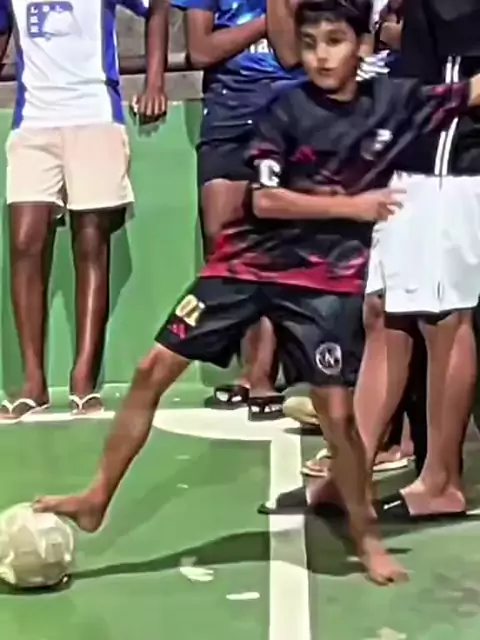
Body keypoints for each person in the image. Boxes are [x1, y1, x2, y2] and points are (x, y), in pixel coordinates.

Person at [34, 0, 480, 584]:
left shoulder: (394, 103)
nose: (321, 56)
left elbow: (468, 93)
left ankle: (367, 542)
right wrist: (354, 206)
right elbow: (265, 201)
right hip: (245, 267)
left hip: (319, 289)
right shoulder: (282, 110)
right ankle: (96, 497)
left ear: (360, 47)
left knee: (338, 416)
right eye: (310, 44)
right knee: (150, 370)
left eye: (335, 42)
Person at [0, 0, 168, 421]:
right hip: (33, 121)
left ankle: (83, 380)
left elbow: (158, 7)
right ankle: (33, 383)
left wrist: (154, 81)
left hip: (95, 114)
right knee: (24, 242)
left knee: (91, 244)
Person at [171, 0, 304, 421]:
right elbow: (201, 51)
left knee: (272, 243)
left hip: (286, 110)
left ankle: (260, 374)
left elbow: (293, 51)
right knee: (224, 243)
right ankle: (248, 364)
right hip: (227, 113)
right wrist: (269, 20)